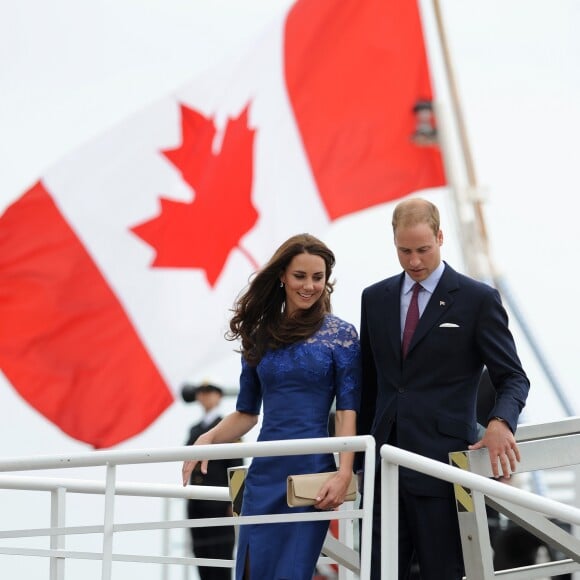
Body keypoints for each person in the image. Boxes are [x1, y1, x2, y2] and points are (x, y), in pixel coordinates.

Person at [357, 198, 530, 580]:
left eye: (423, 250)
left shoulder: (477, 299)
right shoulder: (375, 299)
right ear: (394, 243)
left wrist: (501, 422)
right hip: (383, 466)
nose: (414, 260)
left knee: (444, 572)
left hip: (444, 466)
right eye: (405, 251)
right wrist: (353, 462)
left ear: (440, 237)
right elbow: (368, 386)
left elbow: (513, 377)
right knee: (377, 573)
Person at [182, 233, 361, 580]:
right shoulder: (259, 333)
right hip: (264, 475)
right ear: (282, 276)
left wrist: (343, 473)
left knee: (291, 572)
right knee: (250, 572)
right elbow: (246, 413)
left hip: (312, 474)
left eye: (318, 277)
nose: (309, 286)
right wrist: (208, 438)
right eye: (300, 276)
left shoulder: (341, 335)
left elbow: (346, 413)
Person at [183, 382, 243, 580]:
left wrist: (234, 504)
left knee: (221, 557)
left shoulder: (227, 427)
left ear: (219, 395)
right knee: (201, 556)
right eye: (202, 392)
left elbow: (236, 464)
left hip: (220, 504)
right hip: (197, 503)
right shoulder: (194, 429)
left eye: (210, 392)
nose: (206, 396)